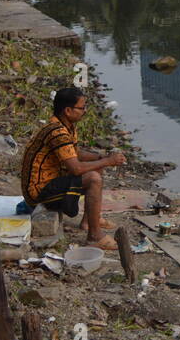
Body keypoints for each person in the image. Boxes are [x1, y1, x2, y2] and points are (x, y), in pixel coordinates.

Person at [19, 87, 125, 250]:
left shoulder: (66, 126)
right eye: (81, 108)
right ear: (68, 110)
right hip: (39, 191)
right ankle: (94, 237)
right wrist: (108, 161)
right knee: (93, 178)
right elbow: (75, 168)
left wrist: (100, 158)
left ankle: (89, 221)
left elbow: (74, 153)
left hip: (53, 180)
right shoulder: (57, 132)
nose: (84, 111)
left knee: (97, 168)